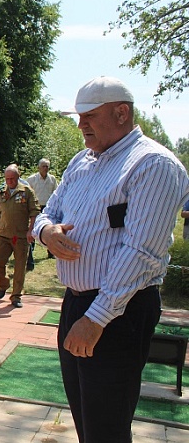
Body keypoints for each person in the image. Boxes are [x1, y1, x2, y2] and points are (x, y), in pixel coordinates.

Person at [34, 76, 189, 443]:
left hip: (118, 310)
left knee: (107, 429)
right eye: (79, 116)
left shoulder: (152, 164)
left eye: (89, 116)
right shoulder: (83, 161)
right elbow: (48, 211)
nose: (81, 125)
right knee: (87, 422)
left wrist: (96, 318)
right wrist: (46, 232)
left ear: (122, 113)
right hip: (77, 302)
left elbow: (141, 252)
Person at [0, 164, 39, 308]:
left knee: (20, 267)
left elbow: (34, 212)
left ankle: (16, 296)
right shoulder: (1, 192)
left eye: (12, 178)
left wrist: (31, 230)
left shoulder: (27, 191)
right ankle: (3, 284)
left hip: (21, 236)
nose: (10, 181)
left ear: (18, 177)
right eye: (7, 179)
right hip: (3, 234)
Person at [26, 158, 59, 269]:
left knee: (50, 229)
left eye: (47, 166)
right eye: (44, 166)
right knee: (32, 228)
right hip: (35, 206)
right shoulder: (32, 179)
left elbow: (56, 193)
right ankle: (30, 251)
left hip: (48, 208)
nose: (46, 168)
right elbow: (27, 193)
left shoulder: (52, 179)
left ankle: (51, 251)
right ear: (39, 167)